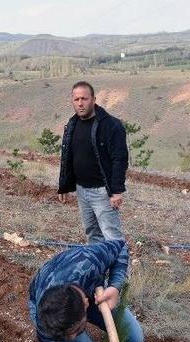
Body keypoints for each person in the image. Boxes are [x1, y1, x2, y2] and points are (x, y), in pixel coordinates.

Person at [57, 81, 128, 244]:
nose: (80, 103)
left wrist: (116, 191)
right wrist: (64, 185)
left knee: (112, 237)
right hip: (82, 191)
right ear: (72, 101)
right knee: (93, 235)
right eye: (76, 99)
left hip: (103, 192)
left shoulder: (111, 125)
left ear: (94, 99)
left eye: (84, 98)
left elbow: (120, 159)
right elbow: (67, 156)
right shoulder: (72, 124)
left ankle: (120, 270)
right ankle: (100, 269)